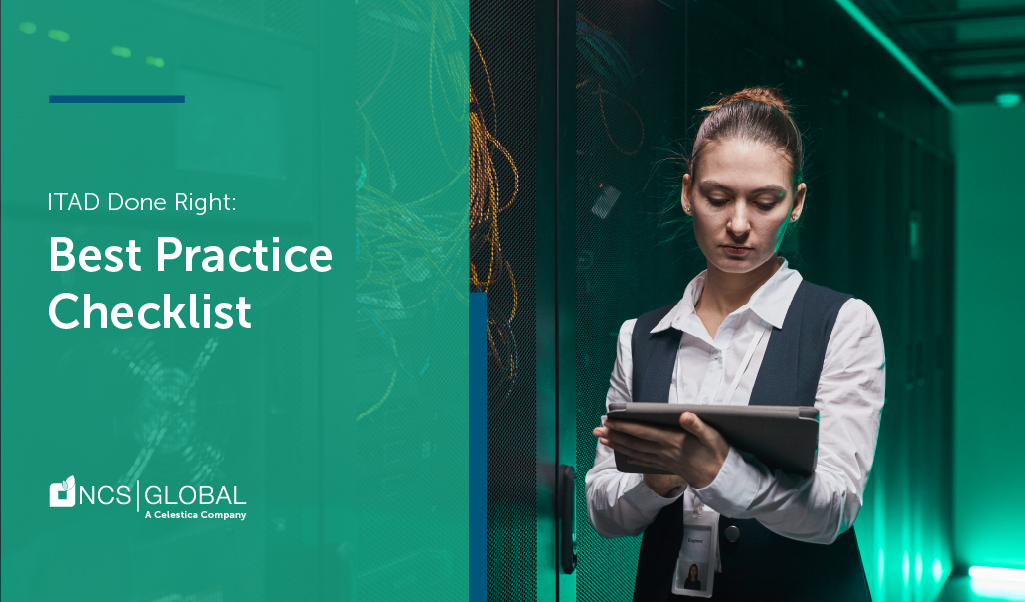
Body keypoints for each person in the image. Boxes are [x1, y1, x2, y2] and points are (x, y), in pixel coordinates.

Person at [585, 87, 884, 601]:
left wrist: (717, 470)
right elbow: (601, 508)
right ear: (686, 194)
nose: (739, 224)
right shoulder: (640, 337)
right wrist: (654, 484)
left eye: (765, 202)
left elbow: (835, 508)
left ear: (797, 203)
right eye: (717, 198)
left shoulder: (843, 324)